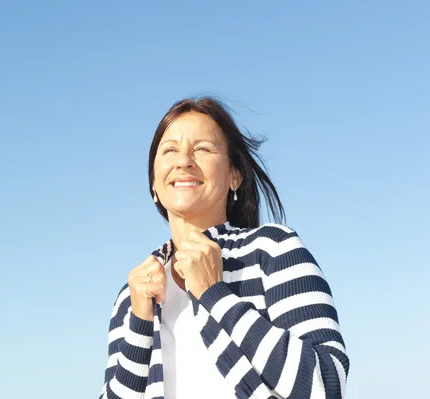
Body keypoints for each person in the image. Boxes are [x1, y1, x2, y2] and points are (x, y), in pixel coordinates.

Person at [99, 97, 349, 399]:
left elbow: (327, 383)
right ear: (154, 182)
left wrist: (214, 295)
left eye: (202, 149)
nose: (183, 161)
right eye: (169, 150)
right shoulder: (131, 296)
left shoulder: (271, 250)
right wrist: (139, 322)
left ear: (234, 176)